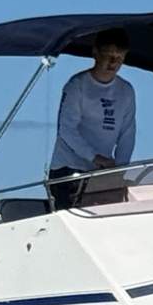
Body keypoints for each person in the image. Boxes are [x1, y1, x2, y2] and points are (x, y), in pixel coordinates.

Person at [47, 28, 136, 209]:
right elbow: (66, 130)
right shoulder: (77, 85)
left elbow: (127, 134)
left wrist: (120, 169)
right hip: (68, 170)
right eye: (109, 55)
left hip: (102, 173)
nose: (113, 63)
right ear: (95, 53)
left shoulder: (126, 91)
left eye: (119, 57)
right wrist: (94, 157)